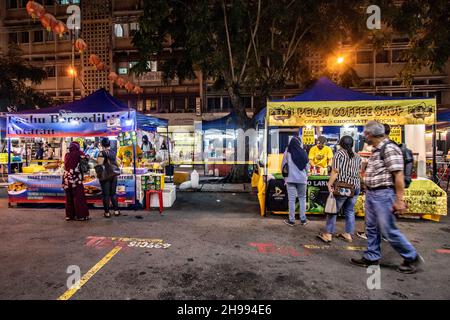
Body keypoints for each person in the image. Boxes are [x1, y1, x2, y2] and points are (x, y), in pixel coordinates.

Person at [350, 121, 424, 274]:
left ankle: (412, 257)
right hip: (372, 194)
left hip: (383, 194)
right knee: (371, 228)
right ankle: (372, 256)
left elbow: (398, 175)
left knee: (388, 229)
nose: (364, 136)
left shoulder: (389, 148)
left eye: (366, 133)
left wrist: (399, 200)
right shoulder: (377, 150)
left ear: (372, 134)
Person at [317, 136, 361, 243]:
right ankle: (348, 234)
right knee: (349, 211)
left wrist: (329, 184)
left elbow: (335, 171)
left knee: (333, 211)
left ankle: (328, 234)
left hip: (343, 187)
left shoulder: (339, 154)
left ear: (340, 144)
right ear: (352, 144)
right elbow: (359, 172)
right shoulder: (357, 156)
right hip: (355, 187)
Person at [282, 136, 309, 227]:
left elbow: (283, 165)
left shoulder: (287, 152)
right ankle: (303, 219)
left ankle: (292, 220)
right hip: (302, 179)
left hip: (290, 179)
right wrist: (306, 175)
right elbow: (307, 167)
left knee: (292, 200)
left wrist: (284, 177)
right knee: (302, 198)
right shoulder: (304, 152)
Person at [62, 141, 90, 221]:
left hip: (67, 178)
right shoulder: (79, 153)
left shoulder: (66, 155)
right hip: (76, 179)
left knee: (69, 198)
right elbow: (86, 160)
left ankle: (69, 216)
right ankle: (81, 216)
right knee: (79, 197)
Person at [97, 138, 121, 218]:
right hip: (114, 175)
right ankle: (116, 211)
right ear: (109, 144)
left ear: (102, 144)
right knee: (113, 193)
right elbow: (115, 162)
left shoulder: (102, 153)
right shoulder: (113, 152)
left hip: (106, 176)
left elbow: (100, 164)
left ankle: (107, 213)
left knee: (106, 195)